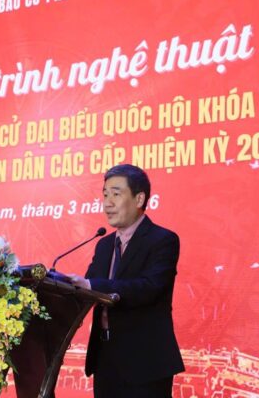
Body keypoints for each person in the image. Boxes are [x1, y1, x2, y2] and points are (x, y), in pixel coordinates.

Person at [69, 164, 184, 398]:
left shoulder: (163, 240)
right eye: (105, 195)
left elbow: (148, 288)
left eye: (116, 194)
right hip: (105, 359)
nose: (107, 203)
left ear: (139, 198)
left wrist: (91, 285)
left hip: (145, 362)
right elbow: (89, 288)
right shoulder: (104, 244)